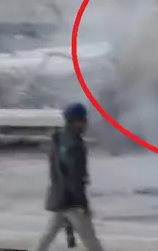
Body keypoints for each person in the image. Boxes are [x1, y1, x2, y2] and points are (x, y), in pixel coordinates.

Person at [33, 102, 105, 251]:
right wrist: (83, 205)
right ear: (75, 121)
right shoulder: (75, 146)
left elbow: (58, 171)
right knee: (90, 240)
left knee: (48, 235)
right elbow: (75, 178)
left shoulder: (58, 140)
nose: (86, 124)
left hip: (58, 195)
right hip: (70, 200)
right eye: (83, 120)